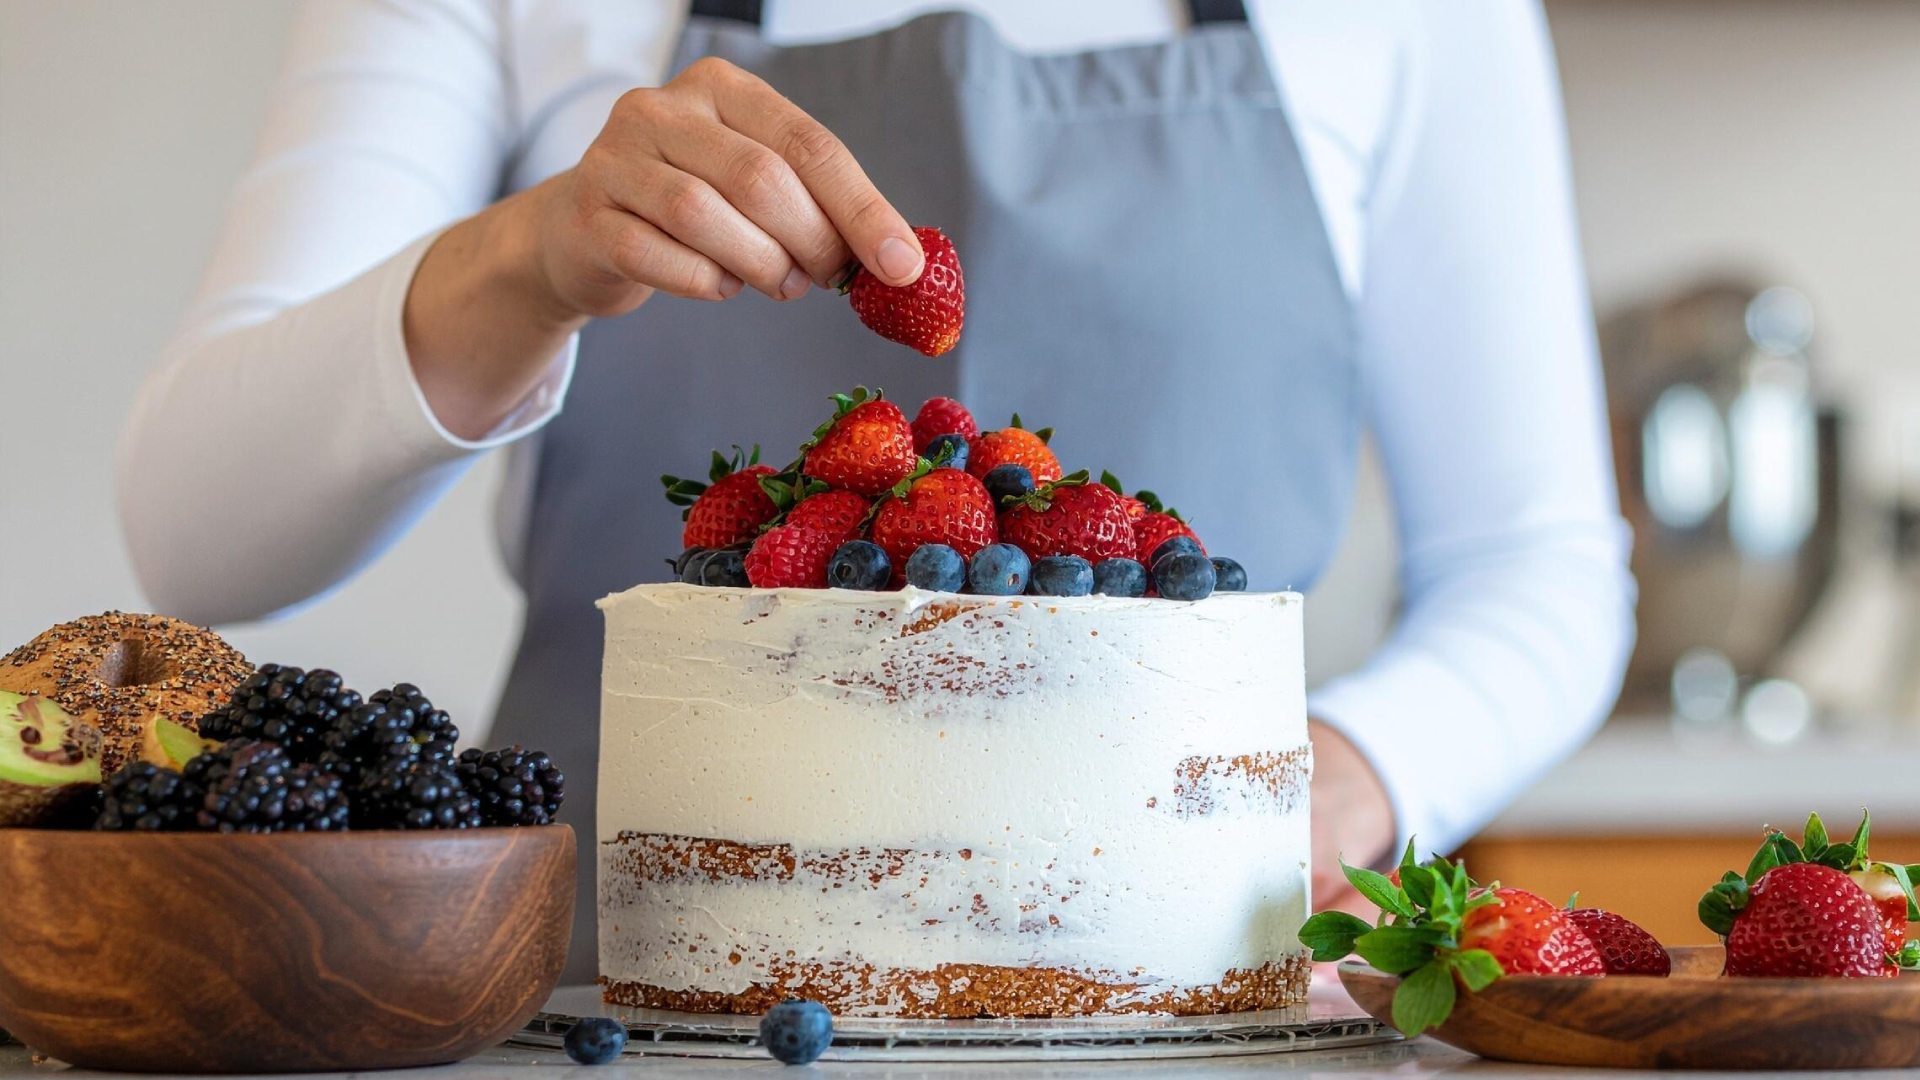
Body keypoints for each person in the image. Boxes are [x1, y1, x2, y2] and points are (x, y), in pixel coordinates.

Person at [119, 0, 1636, 982]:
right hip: (623, 998)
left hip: (1178, 985)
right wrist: (526, 259)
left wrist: (1319, 781)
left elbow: (1542, 567)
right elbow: (197, 529)